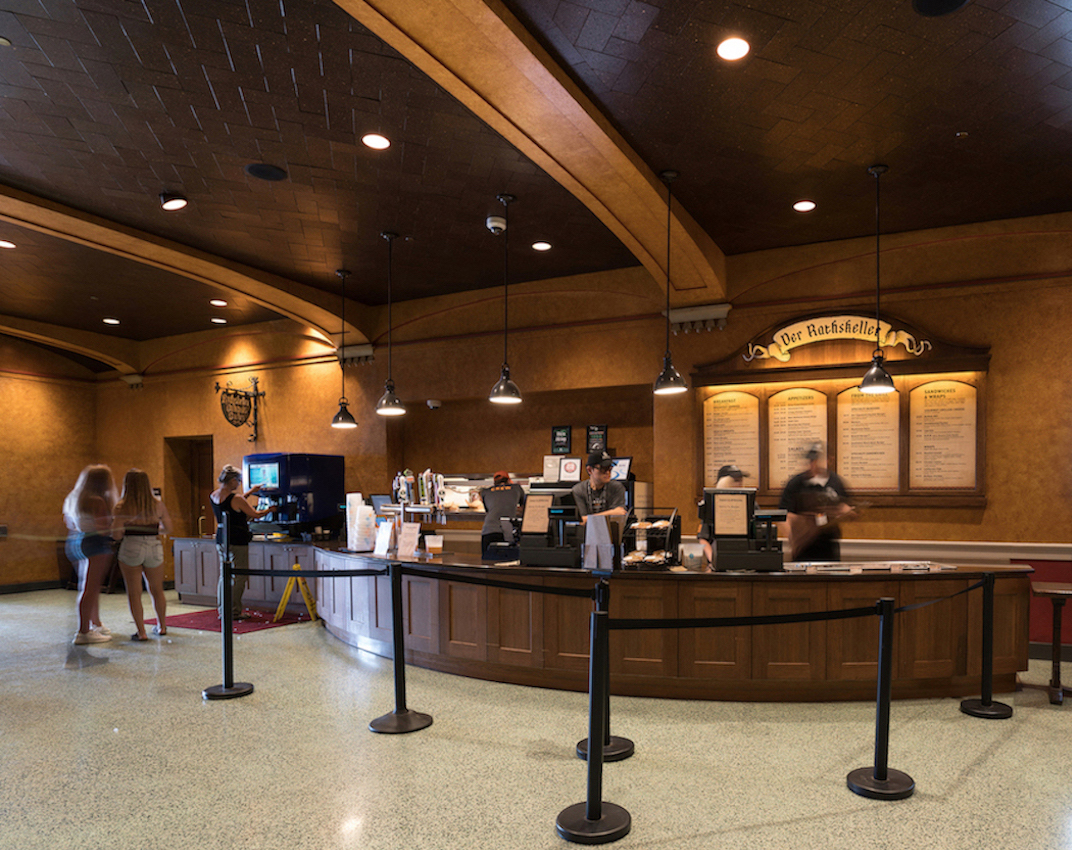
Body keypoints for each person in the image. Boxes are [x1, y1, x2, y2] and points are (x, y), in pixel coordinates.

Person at [113, 469, 173, 641]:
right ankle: (162, 626)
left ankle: (141, 632)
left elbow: (116, 534)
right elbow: (169, 528)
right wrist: (153, 530)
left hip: (131, 546)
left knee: (134, 592)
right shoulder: (157, 505)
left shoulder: (122, 506)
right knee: (157, 589)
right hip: (154, 546)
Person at [63, 465, 118, 645]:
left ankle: (96, 624)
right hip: (95, 543)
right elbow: (104, 529)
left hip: (76, 540)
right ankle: (84, 631)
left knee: (86, 587)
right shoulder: (98, 501)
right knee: (91, 589)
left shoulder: (74, 498)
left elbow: (69, 523)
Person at [210, 464, 272, 620]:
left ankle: (223, 610)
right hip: (237, 540)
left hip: (221, 538)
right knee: (239, 576)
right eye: (238, 481)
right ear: (232, 481)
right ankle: (234, 611)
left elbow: (233, 504)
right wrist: (271, 510)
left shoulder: (214, 495)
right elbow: (256, 514)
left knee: (224, 575)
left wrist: (250, 492)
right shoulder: (236, 498)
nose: (239, 484)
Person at [778, 442, 855, 562]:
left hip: (828, 546)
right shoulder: (796, 484)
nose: (813, 464)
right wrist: (792, 539)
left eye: (817, 460)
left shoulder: (835, 482)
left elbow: (850, 512)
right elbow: (784, 515)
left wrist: (846, 511)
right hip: (804, 547)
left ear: (828, 460)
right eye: (811, 460)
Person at [697, 464, 749, 569]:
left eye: (740, 480)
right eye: (735, 480)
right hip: (718, 559)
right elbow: (703, 537)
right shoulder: (711, 506)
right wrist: (713, 561)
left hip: (744, 560)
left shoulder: (750, 504)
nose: (739, 483)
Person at [475, 471, 525, 557]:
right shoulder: (516, 488)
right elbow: (524, 507)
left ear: (494, 482)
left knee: (487, 561)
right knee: (508, 561)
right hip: (507, 531)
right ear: (508, 480)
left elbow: (489, 510)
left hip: (488, 530)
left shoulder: (485, 492)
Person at [571, 450, 627, 524]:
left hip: (611, 530)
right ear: (589, 470)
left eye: (609, 468)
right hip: (587, 531)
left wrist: (589, 518)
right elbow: (581, 521)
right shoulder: (578, 490)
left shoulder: (617, 487)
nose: (608, 472)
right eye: (603, 468)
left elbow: (619, 514)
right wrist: (611, 513)